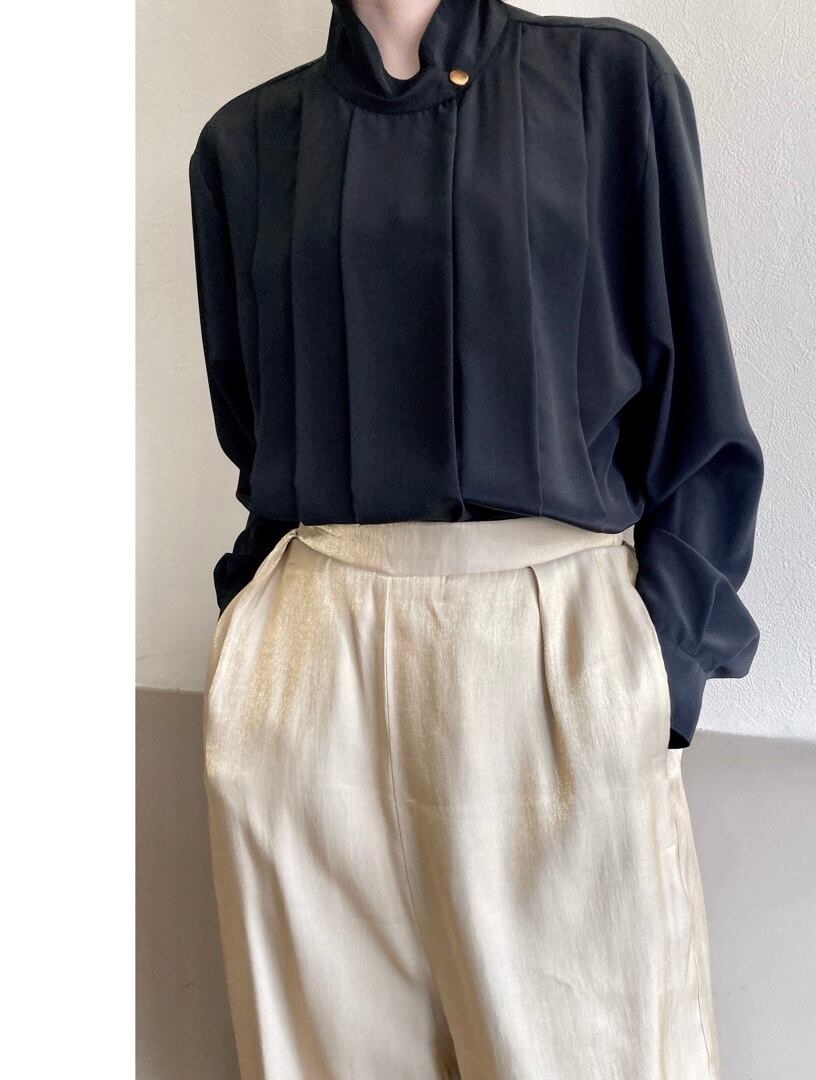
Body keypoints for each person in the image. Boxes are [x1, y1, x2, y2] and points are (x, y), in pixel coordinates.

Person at [189, 0, 764, 1076]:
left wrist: (657, 670)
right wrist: (249, 661)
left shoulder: (605, 85)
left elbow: (698, 417)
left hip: (553, 642)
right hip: (314, 654)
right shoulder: (245, 145)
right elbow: (256, 439)